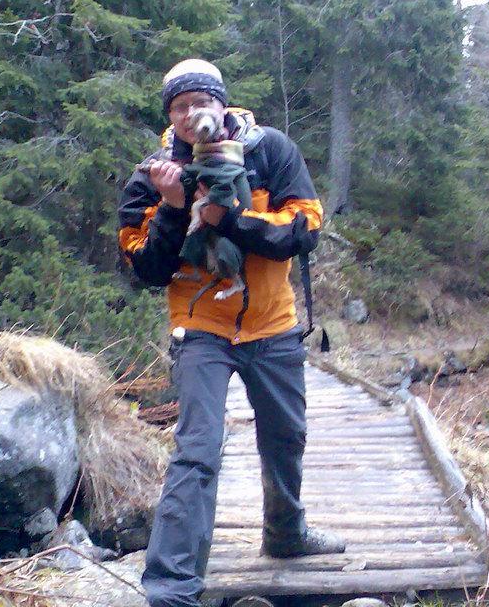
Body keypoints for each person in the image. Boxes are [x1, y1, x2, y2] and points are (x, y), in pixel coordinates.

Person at [118, 59, 345, 607]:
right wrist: (174, 209)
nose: (193, 113)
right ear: (169, 116)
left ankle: (286, 534)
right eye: (180, 105)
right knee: (197, 450)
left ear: (221, 104)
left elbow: (305, 228)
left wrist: (230, 220)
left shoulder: (271, 150)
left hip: (274, 324)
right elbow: (145, 268)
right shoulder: (152, 174)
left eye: (202, 101)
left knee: (286, 438)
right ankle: (172, 588)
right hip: (200, 328)